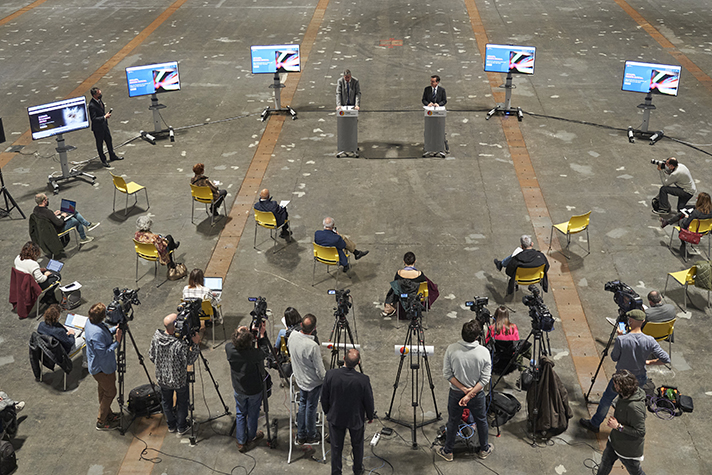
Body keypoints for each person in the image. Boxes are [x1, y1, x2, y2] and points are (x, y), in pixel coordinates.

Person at [580, 309, 670, 433]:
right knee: (630, 402)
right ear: (643, 321)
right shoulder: (650, 340)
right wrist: (649, 362)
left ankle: (595, 424)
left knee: (607, 399)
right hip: (639, 378)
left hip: (620, 379)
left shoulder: (622, 340)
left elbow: (614, 357)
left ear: (630, 321)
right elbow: (666, 358)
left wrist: (620, 338)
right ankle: (621, 427)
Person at [437, 320, 493, 462]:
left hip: (456, 393)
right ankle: (484, 450)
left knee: (453, 421)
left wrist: (463, 390)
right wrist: (470, 394)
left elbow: (447, 374)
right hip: (477, 394)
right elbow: (485, 378)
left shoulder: (451, 349)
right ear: (477, 336)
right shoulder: (484, 352)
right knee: (481, 421)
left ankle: (448, 452)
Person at [321, 349, 375, 475]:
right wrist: (370, 415)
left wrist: (327, 412)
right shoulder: (363, 380)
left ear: (343, 358)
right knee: (357, 446)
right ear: (358, 362)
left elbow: (324, 397)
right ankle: (357, 470)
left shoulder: (331, 375)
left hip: (335, 417)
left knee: (336, 448)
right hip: (355, 419)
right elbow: (368, 400)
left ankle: (336, 472)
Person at [148, 313, 201, 435]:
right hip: (179, 380)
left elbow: (151, 356)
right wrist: (196, 344)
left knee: (166, 401)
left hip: (162, 379)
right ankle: (181, 426)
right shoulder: (179, 344)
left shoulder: (156, 337)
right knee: (182, 402)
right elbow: (190, 360)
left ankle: (171, 425)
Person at [595, 370, 648, 475]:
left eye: (616, 384)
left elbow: (641, 431)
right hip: (614, 441)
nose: (613, 385)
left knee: (636, 472)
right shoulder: (624, 395)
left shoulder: (634, 407)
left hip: (627, 450)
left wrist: (618, 426)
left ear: (623, 387)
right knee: (605, 463)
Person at [226, 324, 268, 452]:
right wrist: (261, 335)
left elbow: (235, 342)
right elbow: (265, 352)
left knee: (240, 412)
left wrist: (240, 332)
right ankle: (251, 436)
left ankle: (241, 441)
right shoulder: (253, 354)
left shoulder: (230, 349)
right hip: (254, 389)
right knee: (253, 413)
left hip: (239, 388)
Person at [287, 314, 326, 445]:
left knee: (302, 404)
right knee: (311, 407)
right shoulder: (312, 346)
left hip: (299, 379)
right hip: (313, 383)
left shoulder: (292, 336)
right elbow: (320, 372)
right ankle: (311, 435)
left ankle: (301, 435)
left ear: (301, 325)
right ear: (314, 328)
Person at [85, 303, 122, 431]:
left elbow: (104, 330)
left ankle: (108, 415)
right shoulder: (96, 334)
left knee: (103, 391)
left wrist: (115, 328)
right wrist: (117, 342)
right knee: (111, 392)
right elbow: (103, 353)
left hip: (99, 367)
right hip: (102, 368)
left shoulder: (90, 323)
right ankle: (101, 421)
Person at [32, 192, 99, 244]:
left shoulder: (36, 210)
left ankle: (88, 225)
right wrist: (62, 216)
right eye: (47, 199)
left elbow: (46, 217)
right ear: (44, 201)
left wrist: (53, 215)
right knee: (76, 221)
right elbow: (59, 223)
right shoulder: (48, 212)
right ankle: (84, 237)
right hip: (56, 230)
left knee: (73, 211)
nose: (47, 201)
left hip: (48, 228)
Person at [381, 251, 428, 317]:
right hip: (416, 297)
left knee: (394, 288)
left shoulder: (399, 273)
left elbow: (396, 286)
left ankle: (390, 307)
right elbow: (424, 287)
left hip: (403, 297)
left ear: (404, 261)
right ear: (415, 261)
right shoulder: (419, 274)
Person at [88, 87, 122, 167]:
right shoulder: (92, 105)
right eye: (99, 94)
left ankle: (112, 155)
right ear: (94, 95)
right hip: (98, 128)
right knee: (100, 144)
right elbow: (94, 119)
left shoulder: (99, 101)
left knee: (109, 140)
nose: (100, 95)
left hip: (104, 125)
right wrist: (104, 117)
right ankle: (103, 160)